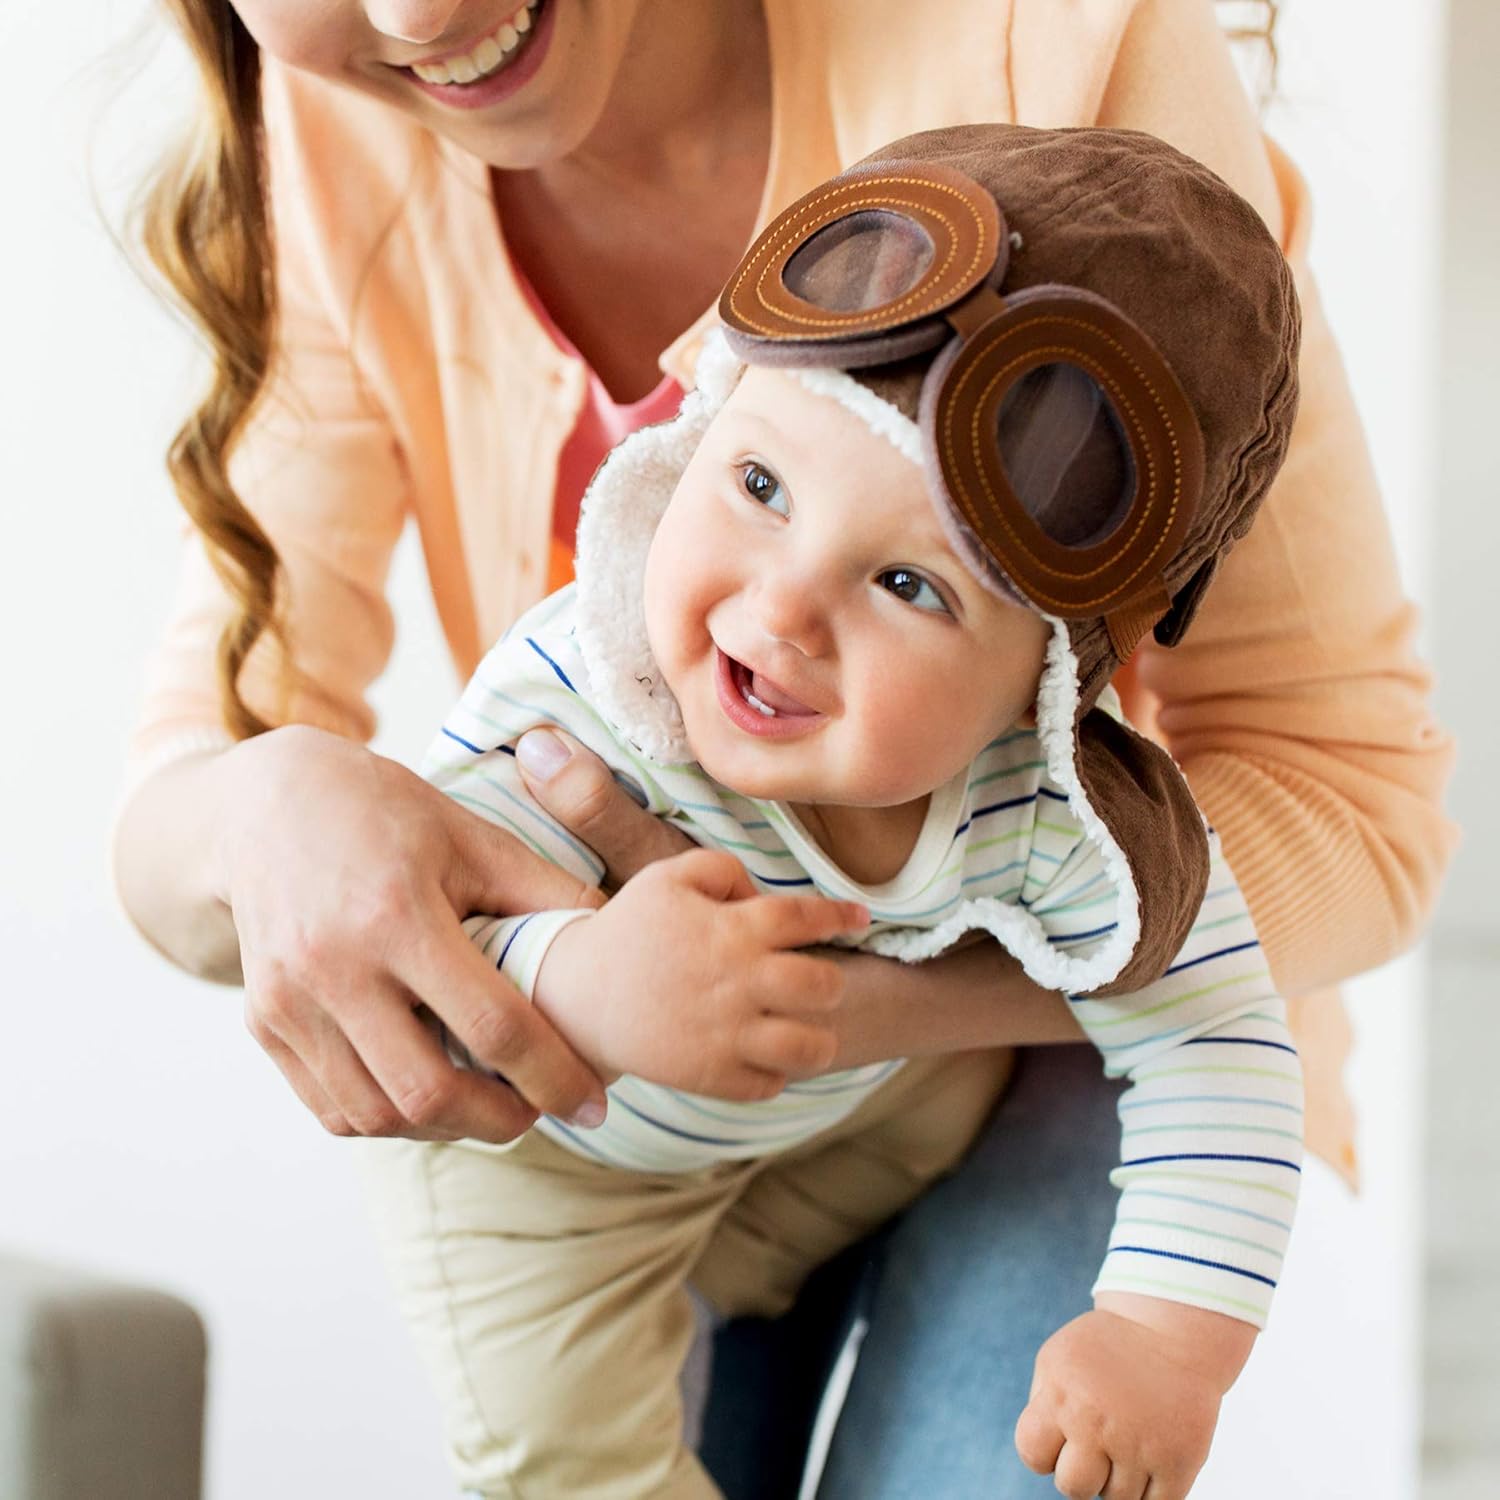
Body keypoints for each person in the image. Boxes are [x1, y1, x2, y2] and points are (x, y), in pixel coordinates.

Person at [113, 2, 1455, 1496]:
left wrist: (867, 997)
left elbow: (1350, 817)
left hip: (1007, 1045)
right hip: (599, 1107)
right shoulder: (333, 131)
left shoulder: (1058, 47)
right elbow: (197, 793)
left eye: (911, 583)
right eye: (752, 486)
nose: (420, 14)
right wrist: (269, 808)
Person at [385, 121, 1308, 1498]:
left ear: (1040, 689)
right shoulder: (590, 686)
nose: (782, 609)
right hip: (550, 1176)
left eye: (910, 587)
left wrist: (1168, 1343)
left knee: (959, 1099)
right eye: (759, 487)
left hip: (838, 1138)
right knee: (566, 1462)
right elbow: (428, 948)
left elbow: (1217, 1032)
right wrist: (582, 974)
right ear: (699, 430)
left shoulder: (1044, 812)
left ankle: (764, 1272)